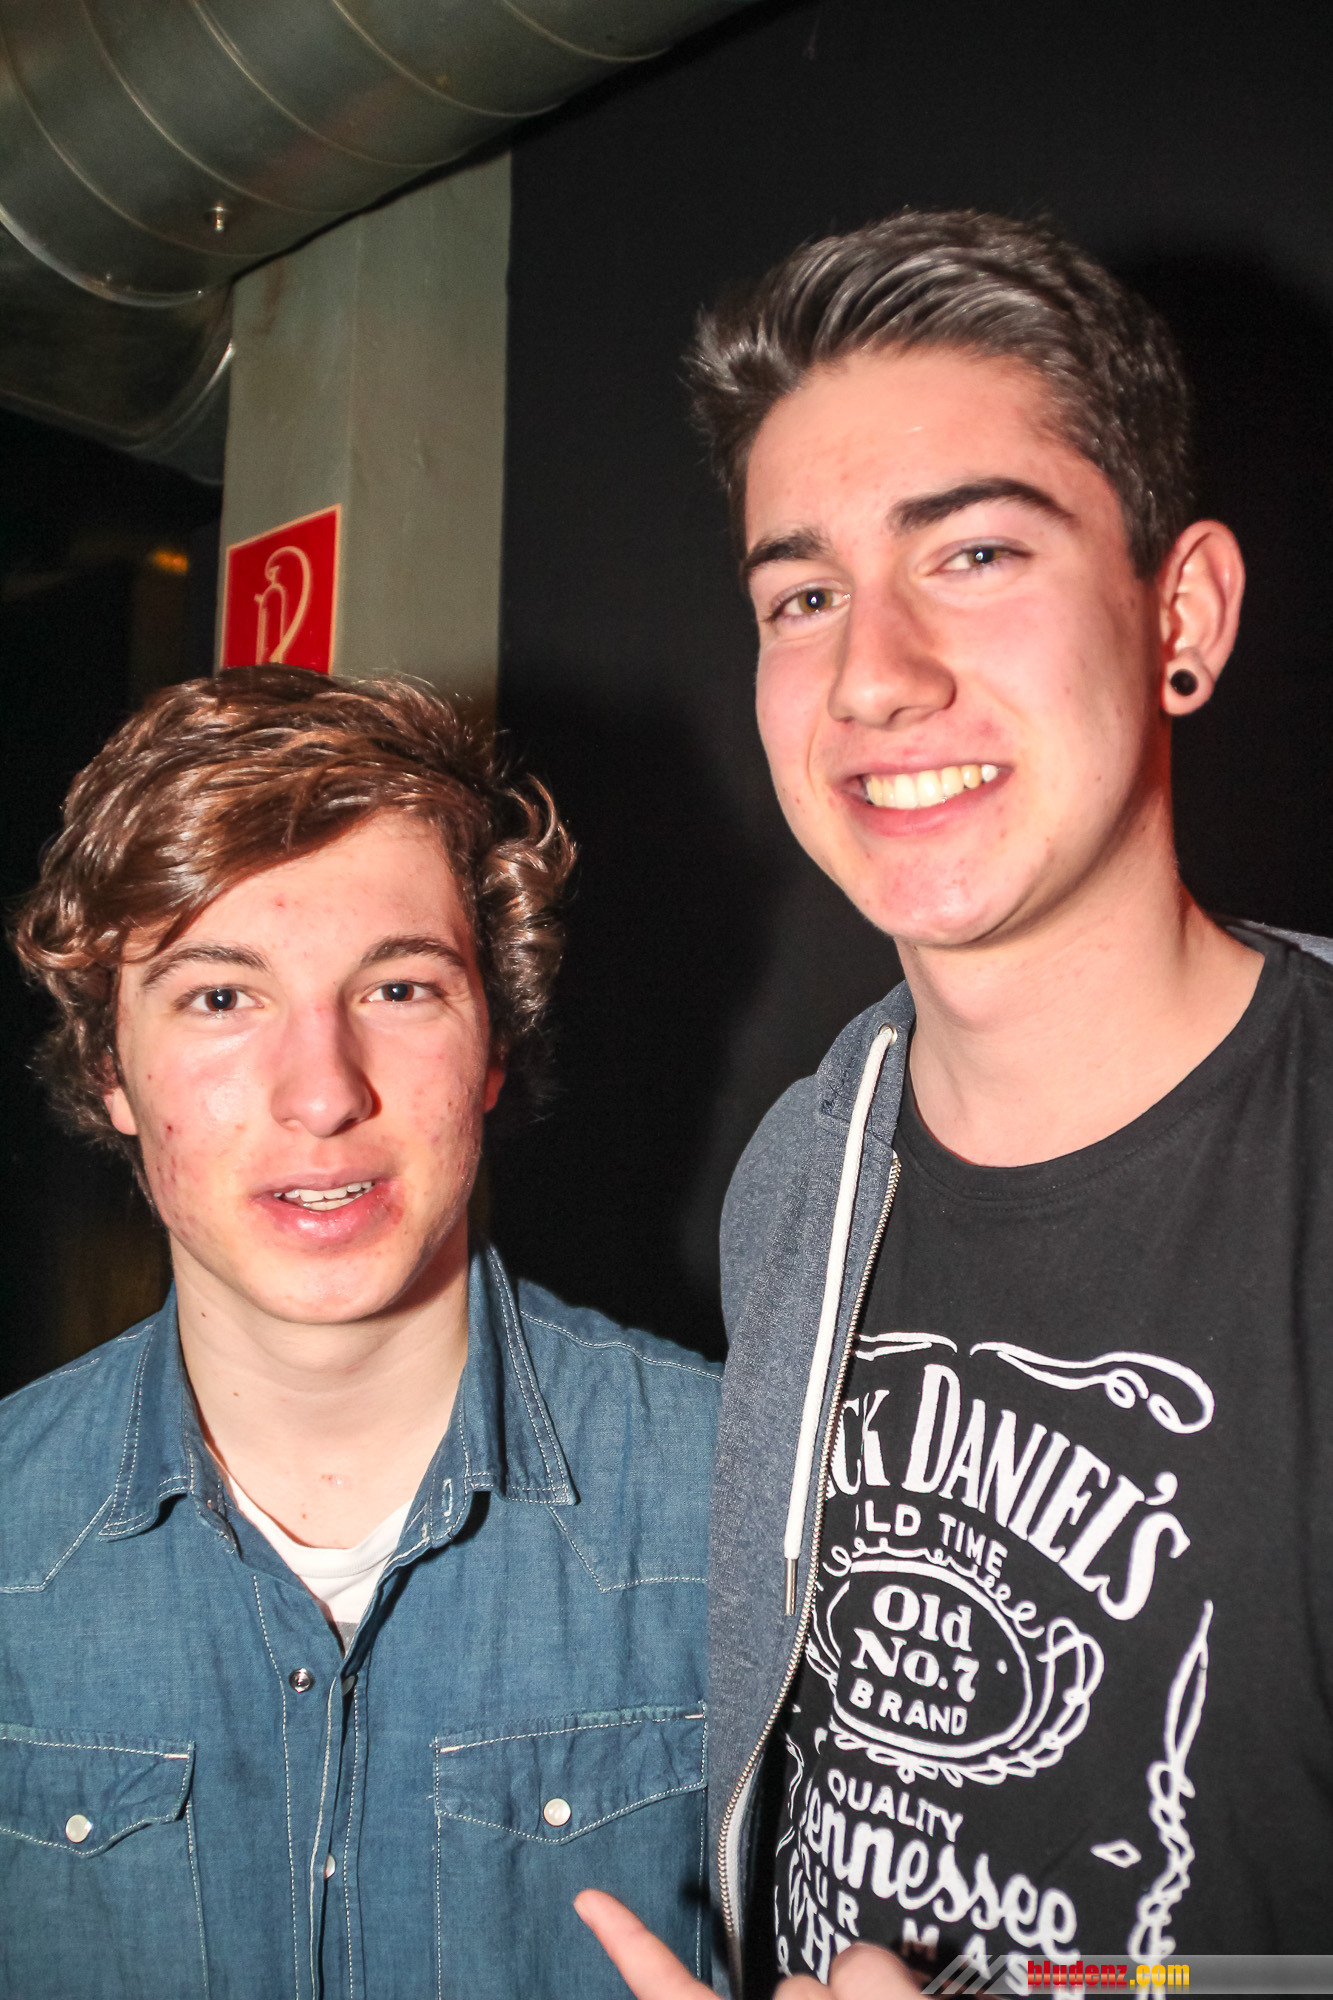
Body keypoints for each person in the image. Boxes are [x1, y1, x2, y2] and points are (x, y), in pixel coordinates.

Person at [577, 211, 1333, 1997]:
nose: (870, 675)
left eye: (975, 552)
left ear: (1180, 615)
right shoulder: (803, 1171)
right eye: (802, 596)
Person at [0, 667, 719, 1999]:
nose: (323, 1094)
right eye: (221, 998)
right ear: (112, 1070)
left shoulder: (748, 1507)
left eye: (398, 989)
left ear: (493, 1045)